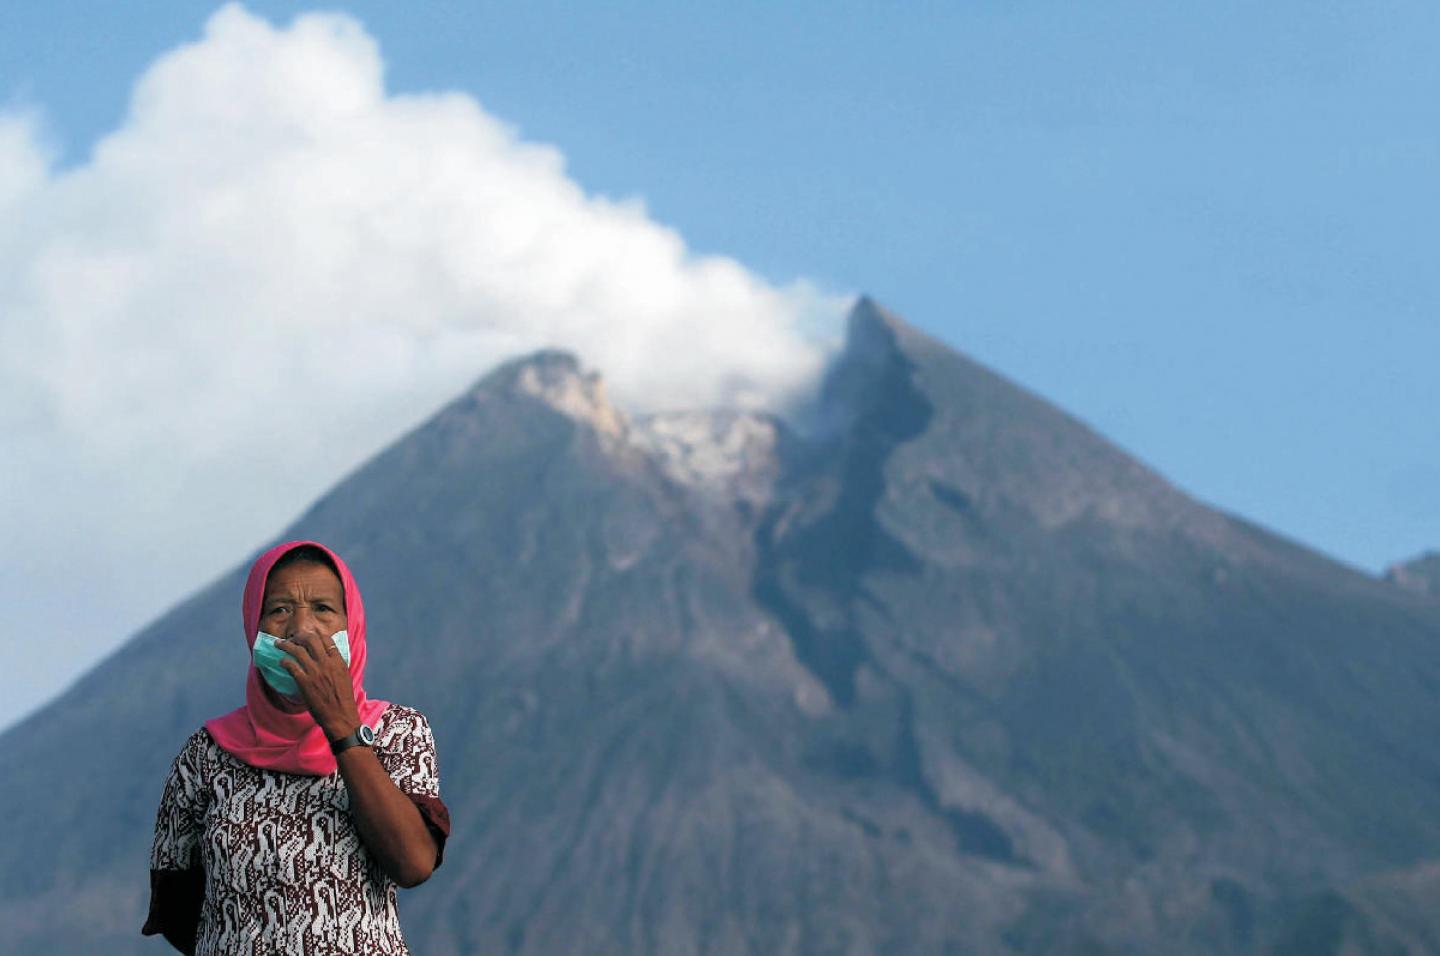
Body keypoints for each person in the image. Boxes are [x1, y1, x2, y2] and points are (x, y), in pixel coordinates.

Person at [143, 540, 450, 954]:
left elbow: (413, 863)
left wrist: (342, 726)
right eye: (279, 610)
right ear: (254, 626)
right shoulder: (206, 755)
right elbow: (176, 906)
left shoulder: (398, 731)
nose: (302, 629)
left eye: (323, 609)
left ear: (352, 625)